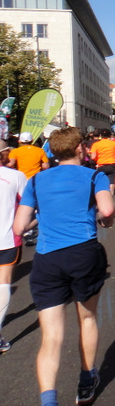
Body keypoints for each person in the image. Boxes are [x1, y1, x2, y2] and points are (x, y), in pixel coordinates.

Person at [13, 127, 115, 406]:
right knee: (87, 319)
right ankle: (86, 380)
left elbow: (19, 227)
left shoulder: (36, 181)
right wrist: (105, 221)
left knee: (51, 334)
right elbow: (106, 211)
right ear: (81, 147)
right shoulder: (95, 176)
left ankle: (48, 400)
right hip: (83, 253)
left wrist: (41, 218)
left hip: (48, 258)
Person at [0, 139, 27, 352]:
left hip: (8, 238)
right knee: (4, 283)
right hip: (7, 238)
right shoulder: (15, 176)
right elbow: (29, 205)